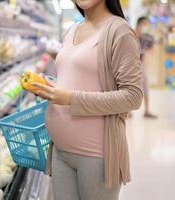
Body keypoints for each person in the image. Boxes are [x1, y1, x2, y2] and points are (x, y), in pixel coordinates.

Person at [31, 0, 143, 200]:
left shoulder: (119, 31)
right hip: (60, 150)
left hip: (95, 154)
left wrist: (71, 98)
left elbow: (133, 96)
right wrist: (49, 86)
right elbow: (79, 80)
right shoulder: (73, 30)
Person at [135, 16, 157, 118]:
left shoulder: (148, 37)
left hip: (141, 64)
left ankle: (147, 110)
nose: (145, 26)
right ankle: (127, 111)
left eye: (147, 24)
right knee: (128, 87)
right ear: (138, 24)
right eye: (144, 24)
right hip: (129, 65)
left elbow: (151, 49)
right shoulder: (131, 34)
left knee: (145, 86)